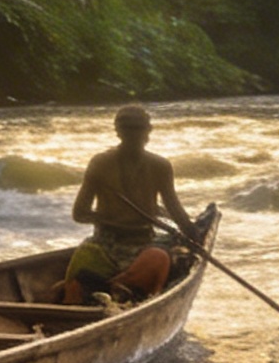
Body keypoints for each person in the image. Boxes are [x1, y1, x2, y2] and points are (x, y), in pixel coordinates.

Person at [64, 103, 202, 303]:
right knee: (81, 265)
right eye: (128, 130)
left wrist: (194, 235)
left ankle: (118, 289)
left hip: (142, 242)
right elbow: (79, 213)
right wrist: (113, 220)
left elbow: (174, 208)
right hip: (105, 244)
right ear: (118, 132)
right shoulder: (100, 163)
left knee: (158, 259)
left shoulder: (160, 166)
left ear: (148, 131)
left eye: (138, 129)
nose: (134, 136)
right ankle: (107, 292)